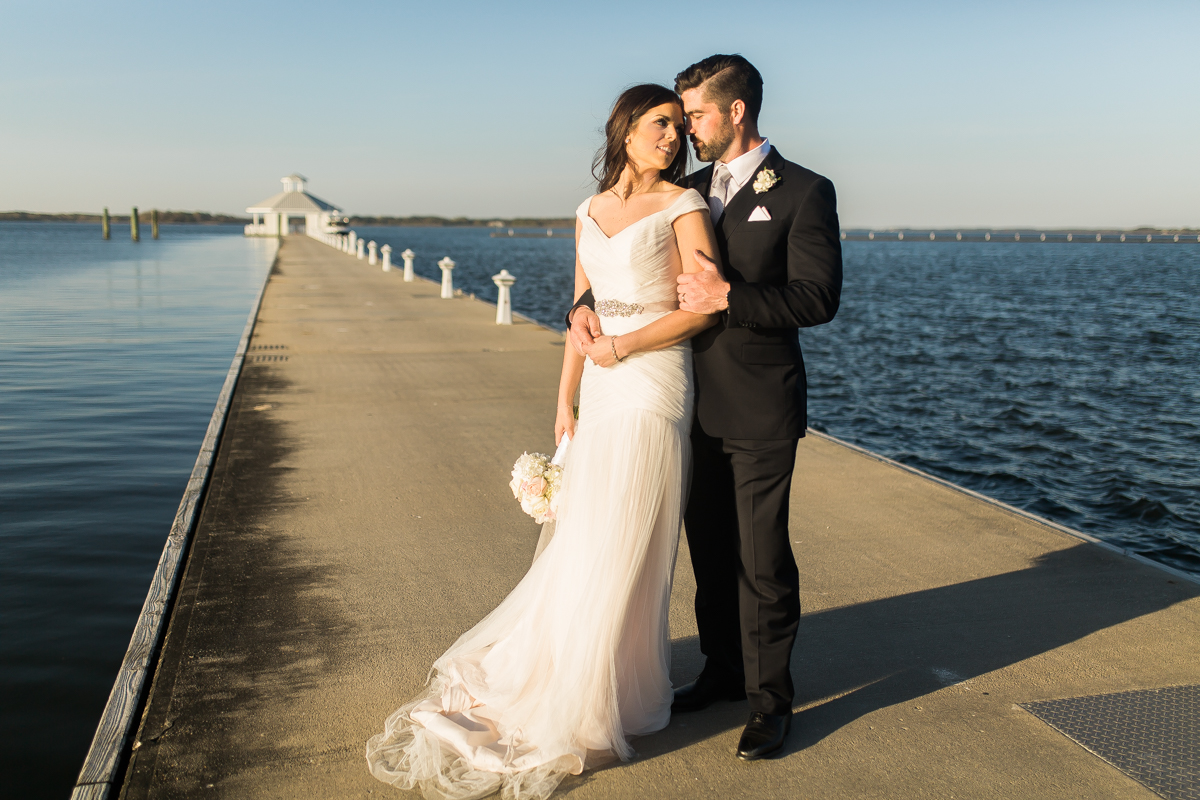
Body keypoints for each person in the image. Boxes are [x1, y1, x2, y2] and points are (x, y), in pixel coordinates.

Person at [367, 83, 720, 800]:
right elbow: (581, 310)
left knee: (628, 539)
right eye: (660, 124)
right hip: (600, 381)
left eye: (679, 129)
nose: (672, 138)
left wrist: (622, 349)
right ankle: (572, 679)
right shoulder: (588, 211)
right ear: (625, 130)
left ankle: (606, 692)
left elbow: (704, 309)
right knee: (590, 534)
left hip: (653, 380)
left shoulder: (686, 207)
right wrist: (564, 397)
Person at [568, 54, 843, 760]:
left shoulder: (804, 192)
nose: (686, 129)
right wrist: (581, 308)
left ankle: (770, 702)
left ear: (737, 112)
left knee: (762, 560)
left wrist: (732, 300)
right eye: (680, 117)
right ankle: (722, 673)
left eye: (695, 115)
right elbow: (627, 270)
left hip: (757, 405)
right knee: (710, 553)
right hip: (677, 401)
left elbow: (818, 298)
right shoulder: (684, 189)